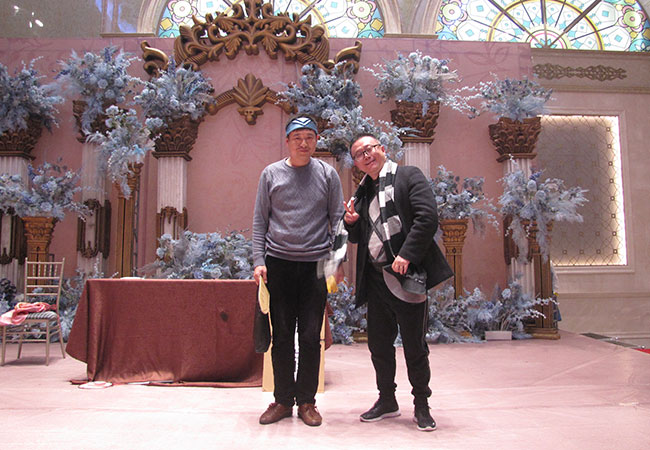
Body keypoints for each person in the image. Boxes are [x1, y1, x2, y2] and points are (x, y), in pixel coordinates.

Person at [343, 134, 453, 432]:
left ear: (382, 149)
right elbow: (360, 237)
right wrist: (351, 223)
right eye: (359, 154)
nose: (366, 155)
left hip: (407, 275)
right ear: (356, 163)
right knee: (378, 345)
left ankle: (421, 404)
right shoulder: (363, 191)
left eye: (369, 149)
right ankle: (387, 400)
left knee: (414, 346)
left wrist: (406, 254)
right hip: (376, 279)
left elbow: (427, 218)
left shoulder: (408, 176)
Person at [253, 116, 344, 427]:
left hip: (316, 265)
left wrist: (336, 263)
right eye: (297, 138)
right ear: (287, 141)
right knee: (281, 336)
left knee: (309, 335)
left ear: (316, 140)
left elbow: (338, 220)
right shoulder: (271, 174)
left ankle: (307, 401)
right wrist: (258, 260)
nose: (303, 143)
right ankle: (282, 400)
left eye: (309, 137)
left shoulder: (328, 175)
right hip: (278, 262)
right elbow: (260, 221)